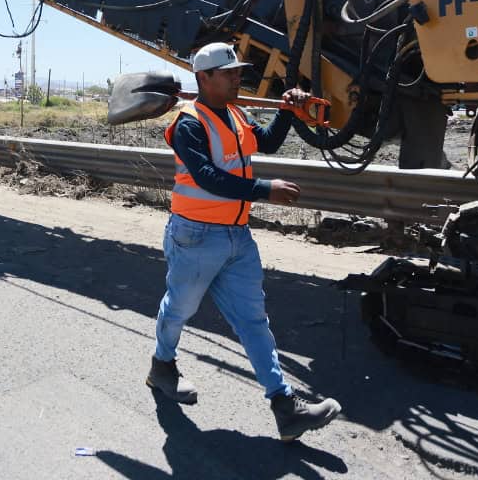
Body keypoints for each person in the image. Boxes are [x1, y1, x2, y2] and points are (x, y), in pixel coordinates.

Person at [146, 42, 341, 441]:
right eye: (230, 72)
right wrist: (264, 189)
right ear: (204, 78)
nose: (239, 77)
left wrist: (287, 111)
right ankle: (162, 366)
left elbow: (264, 143)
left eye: (238, 71)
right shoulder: (189, 123)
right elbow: (207, 177)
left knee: (254, 322)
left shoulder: (235, 114)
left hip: (237, 236)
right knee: (179, 309)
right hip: (196, 237)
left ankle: (285, 408)